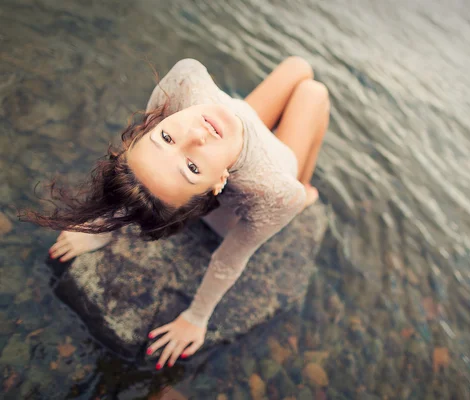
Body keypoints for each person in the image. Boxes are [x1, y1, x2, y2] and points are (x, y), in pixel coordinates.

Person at [24, 56, 329, 369]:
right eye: (192, 167)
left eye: (166, 138)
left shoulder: (187, 82)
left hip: (238, 136)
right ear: (220, 182)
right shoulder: (275, 190)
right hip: (251, 192)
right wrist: (196, 318)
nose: (196, 135)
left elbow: (138, 172)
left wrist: (102, 223)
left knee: (298, 67)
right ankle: (305, 188)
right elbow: (230, 258)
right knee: (313, 93)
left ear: (153, 127)